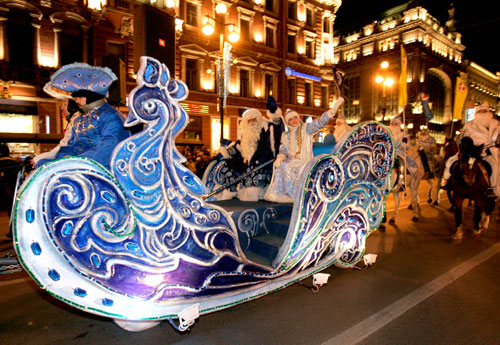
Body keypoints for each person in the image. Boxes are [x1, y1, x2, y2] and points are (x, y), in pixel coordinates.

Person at [37, 63, 130, 169]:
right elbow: (69, 146)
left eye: (80, 97)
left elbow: (107, 150)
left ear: (91, 97)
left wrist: (73, 161)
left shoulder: (111, 117)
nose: (76, 101)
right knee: (42, 165)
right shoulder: (78, 120)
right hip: (78, 165)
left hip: (99, 169)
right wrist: (63, 159)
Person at [264, 97, 344, 203]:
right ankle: (285, 195)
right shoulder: (286, 135)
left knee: (296, 168)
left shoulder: (306, 129)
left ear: (298, 118)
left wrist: (333, 110)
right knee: (281, 166)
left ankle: (298, 195)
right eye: (290, 120)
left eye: (295, 118)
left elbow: (320, 122)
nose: (294, 121)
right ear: (288, 122)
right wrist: (280, 157)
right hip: (292, 160)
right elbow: (283, 150)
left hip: (304, 160)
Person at [216, 105, 284, 201]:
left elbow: (277, 130)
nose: (252, 122)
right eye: (249, 120)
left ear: (259, 120)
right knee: (226, 168)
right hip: (245, 165)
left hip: (263, 164)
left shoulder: (266, 130)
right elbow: (238, 148)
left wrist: (276, 116)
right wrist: (226, 152)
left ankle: (251, 198)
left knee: (253, 170)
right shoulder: (245, 135)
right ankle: (229, 194)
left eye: (254, 119)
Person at [442, 103, 500, 197]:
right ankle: (448, 181)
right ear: (476, 113)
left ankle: (491, 188)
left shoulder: (496, 124)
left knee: (495, 166)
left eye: (484, 111)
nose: (482, 113)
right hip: (472, 151)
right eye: (480, 112)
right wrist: (466, 142)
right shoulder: (469, 125)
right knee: (452, 162)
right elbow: (462, 137)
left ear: (488, 112)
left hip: (489, 150)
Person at [34, 97, 81, 166]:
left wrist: (39, 158)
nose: (62, 108)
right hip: (69, 153)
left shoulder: (76, 120)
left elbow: (65, 144)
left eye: (65, 104)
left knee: (42, 163)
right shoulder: (74, 119)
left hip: (72, 154)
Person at [0, 144, 23, 238]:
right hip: (13, 193)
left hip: (3, 192)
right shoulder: (17, 164)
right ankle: (13, 231)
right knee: (13, 212)